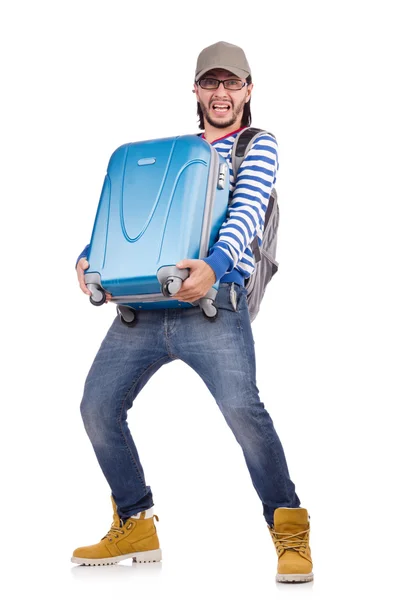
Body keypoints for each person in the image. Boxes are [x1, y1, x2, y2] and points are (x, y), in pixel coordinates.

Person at [72, 41, 314, 583]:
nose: (221, 93)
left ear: (249, 90)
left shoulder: (257, 144)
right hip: (142, 309)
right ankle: (135, 521)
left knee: (244, 414)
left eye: (232, 83)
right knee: (96, 407)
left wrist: (217, 263)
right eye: (211, 83)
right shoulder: (172, 152)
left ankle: (289, 529)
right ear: (197, 91)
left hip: (212, 308)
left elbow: (249, 208)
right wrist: (91, 259)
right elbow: (123, 212)